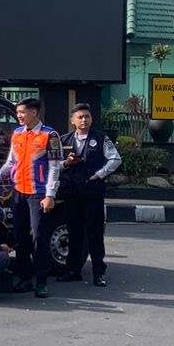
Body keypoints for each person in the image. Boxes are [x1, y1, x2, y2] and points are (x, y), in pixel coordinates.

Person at [0, 97, 62, 298]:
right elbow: (10, 163)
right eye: (18, 112)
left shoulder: (50, 135)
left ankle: (41, 282)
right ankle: (24, 278)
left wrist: (50, 194)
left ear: (34, 112)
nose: (19, 116)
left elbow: (55, 167)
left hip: (38, 194)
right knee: (21, 237)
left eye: (22, 112)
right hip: (19, 192)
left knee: (39, 238)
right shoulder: (17, 134)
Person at [58, 103, 121, 286]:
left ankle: (98, 273)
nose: (84, 120)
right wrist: (67, 163)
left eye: (87, 116)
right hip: (71, 193)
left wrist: (99, 174)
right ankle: (73, 270)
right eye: (80, 117)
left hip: (92, 192)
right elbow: (55, 165)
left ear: (91, 119)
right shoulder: (64, 140)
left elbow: (115, 159)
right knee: (74, 232)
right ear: (72, 120)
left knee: (94, 234)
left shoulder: (100, 138)